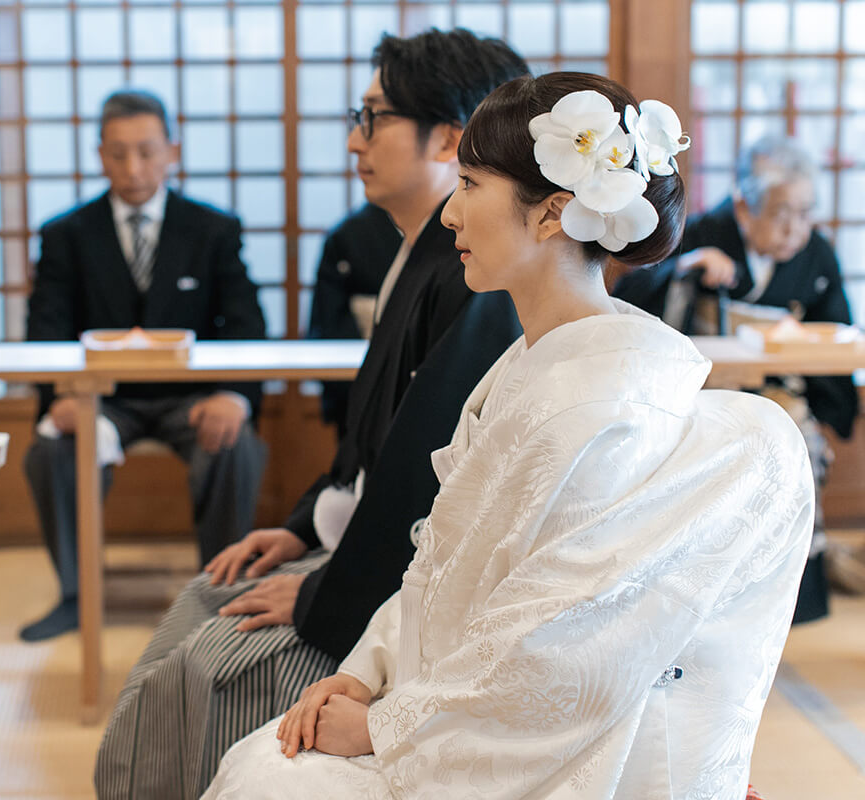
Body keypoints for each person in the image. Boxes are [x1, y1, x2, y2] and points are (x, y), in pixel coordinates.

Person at [204, 73, 813, 799]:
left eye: (467, 184)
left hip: (537, 755)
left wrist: (387, 731)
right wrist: (364, 672)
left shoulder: (610, 402)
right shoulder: (527, 361)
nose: (450, 215)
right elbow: (440, 565)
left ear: (554, 213)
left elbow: (563, 646)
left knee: (268, 780)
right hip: (444, 702)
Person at [95, 30, 527, 799]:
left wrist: (320, 595)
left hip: (391, 592)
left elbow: (422, 491)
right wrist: (298, 529)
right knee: (202, 598)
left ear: (450, 137)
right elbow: (363, 451)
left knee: (208, 666)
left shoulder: (472, 278)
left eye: (373, 117)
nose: (354, 139)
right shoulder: (421, 253)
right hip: (350, 551)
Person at [22, 90, 267, 642]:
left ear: (171, 152)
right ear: (99, 155)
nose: (133, 168)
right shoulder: (67, 233)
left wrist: (235, 395)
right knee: (52, 451)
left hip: (193, 396)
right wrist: (60, 400)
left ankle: (221, 592)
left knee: (236, 443)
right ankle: (74, 594)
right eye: (118, 154)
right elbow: (44, 328)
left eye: (147, 152)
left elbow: (247, 323)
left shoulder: (212, 228)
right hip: (102, 397)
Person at [614, 135, 857, 622]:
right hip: (702, 395)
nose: (796, 229)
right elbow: (630, 297)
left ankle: (792, 594)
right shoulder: (700, 231)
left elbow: (835, 326)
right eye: (782, 212)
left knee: (800, 449)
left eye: (806, 213)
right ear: (744, 205)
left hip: (780, 393)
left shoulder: (817, 255)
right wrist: (685, 266)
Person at [307, 203, 401, 438]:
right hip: (360, 390)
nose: (363, 164)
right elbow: (326, 325)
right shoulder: (347, 235)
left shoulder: (455, 229)